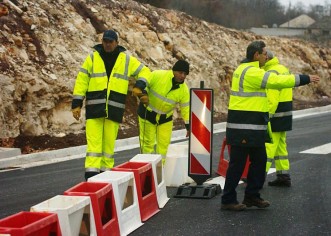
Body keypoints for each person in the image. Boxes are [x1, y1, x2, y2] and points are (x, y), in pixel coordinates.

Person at [221, 40, 320, 211]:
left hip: (254, 126)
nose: (266, 56)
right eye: (264, 53)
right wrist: (306, 78)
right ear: (256, 55)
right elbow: (276, 81)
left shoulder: (251, 70)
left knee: (259, 162)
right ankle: (228, 200)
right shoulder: (251, 72)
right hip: (243, 127)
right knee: (237, 164)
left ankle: (252, 196)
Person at [71, 29, 151, 181]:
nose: (107, 44)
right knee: (93, 147)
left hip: (114, 110)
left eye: (110, 42)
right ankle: (91, 179)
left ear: (117, 43)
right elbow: (82, 81)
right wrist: (76, 103)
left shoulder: (126, 60)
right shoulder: (93, 58)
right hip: (94, 110)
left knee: (108, 149)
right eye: (105, 41)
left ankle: (105, 179)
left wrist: (139, 85)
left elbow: (145, 72)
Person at [132, 60, 190, 164]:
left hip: (165, 119)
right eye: (180, 72)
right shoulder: (158, 75)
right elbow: (144, 82)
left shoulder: (184, 90)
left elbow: (186, 109)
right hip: (147, 115)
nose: (183, 76)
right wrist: (141, 92)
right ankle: (147, 172)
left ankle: (161, 171)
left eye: (185, 74)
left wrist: (188, 126)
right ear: (174, 70)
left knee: (163, 147)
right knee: (147, 145)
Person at [263, 51, 292, 187]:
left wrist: (266, 115)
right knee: (280, 146)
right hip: (285, 112)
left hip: (275, 114)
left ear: (266, 58)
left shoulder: (271, 73)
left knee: (269, 146)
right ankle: (283, 175)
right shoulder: (283, 69)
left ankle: (258, 176)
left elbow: (272, 99)